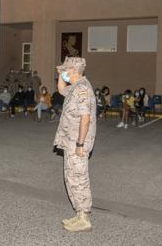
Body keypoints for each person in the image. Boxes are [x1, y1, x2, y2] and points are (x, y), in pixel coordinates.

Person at [53, 57, 96, 233]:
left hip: (77, 143)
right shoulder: (75, 87)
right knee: (71, 177)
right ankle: (79, 214)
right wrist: (61, 77)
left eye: (66, 70)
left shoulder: (82, 89)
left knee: (79, 179)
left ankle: (84, 218)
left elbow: (85, 118)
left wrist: (80, 144)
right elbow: (61, 90)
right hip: (69, 141)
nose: (63, 72)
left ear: (75, 71)